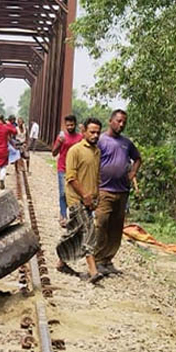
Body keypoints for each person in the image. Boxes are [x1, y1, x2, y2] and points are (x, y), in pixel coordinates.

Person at [93, 109, 142, 274]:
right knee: (101, 224)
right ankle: (97, 259)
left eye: (124, 122)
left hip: (122, 192)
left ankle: (108, 260)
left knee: (116, 228)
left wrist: (133, 172)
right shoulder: (101, 141)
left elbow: (138, 158)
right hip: (104, 190)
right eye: (119, 121)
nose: (121, 125)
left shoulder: (127, 143)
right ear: (110, 121)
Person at [56, 118, 104, 284]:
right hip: (77, 199)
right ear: (83, 132)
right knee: (88, 230)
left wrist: (96, 196)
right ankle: (93, 271)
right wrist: (85, 196)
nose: (95, 135)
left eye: (98, 132)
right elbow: (70, 177)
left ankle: (61, 262)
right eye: (92, 132)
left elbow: (96, 176)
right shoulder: (75, 151)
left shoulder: (97, 152)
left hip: (90, 199)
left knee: (75, 232)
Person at [51, 115, 82, 227]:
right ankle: (63, 216)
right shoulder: (62, 136)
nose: (70, 127)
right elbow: (53, 153)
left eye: (72, 125)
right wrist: (59, 143)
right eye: (68, 125)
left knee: (75, 194)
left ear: (75, 124)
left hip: (75, 169)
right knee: (63, 193)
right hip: (62, 168)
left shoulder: (80, 138)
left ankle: (74, 216)